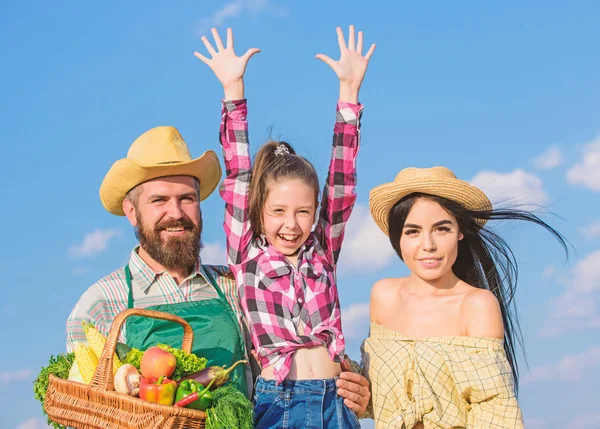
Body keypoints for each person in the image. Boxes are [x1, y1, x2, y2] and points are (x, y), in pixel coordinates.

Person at [194, 26, 374, 427]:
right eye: (277, 212)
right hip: (280, 404)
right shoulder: (247, 253)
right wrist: (233, 89)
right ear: (258, 211)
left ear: (315, 212)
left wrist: (349, 94)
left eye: (303, 212)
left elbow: (342, 181)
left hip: (337, 403)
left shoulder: (322, 249)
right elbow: (239, 172)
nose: (291, 225)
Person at [362, 166, 568, 428]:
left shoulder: (477, 305)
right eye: (412, 231)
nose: (428, 245)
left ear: (460, 231)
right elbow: (377, 395)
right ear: (398, 238)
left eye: (441, 229)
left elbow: (495, 412)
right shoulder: (384, 295)